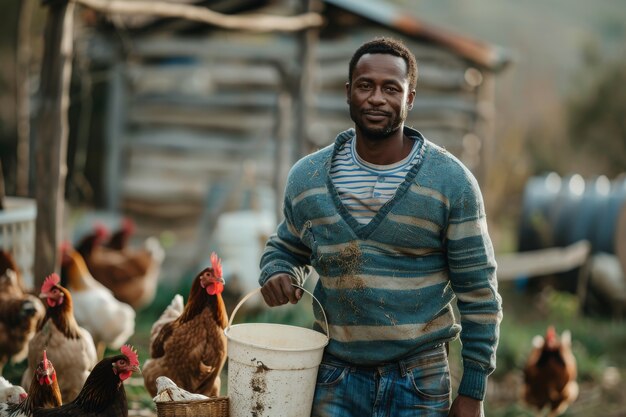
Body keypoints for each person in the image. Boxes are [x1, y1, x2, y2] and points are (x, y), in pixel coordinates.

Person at [258, 36, 502, 417]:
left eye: (391, 88)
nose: (376, 97)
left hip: (420, 378)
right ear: (348, 92)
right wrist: (277, 272)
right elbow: (285, 249)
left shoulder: (451, 183)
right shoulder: (308, 179)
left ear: (410, 99)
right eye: (365, 85)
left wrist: (473, 391)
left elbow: (480, 295)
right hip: (333, 374)